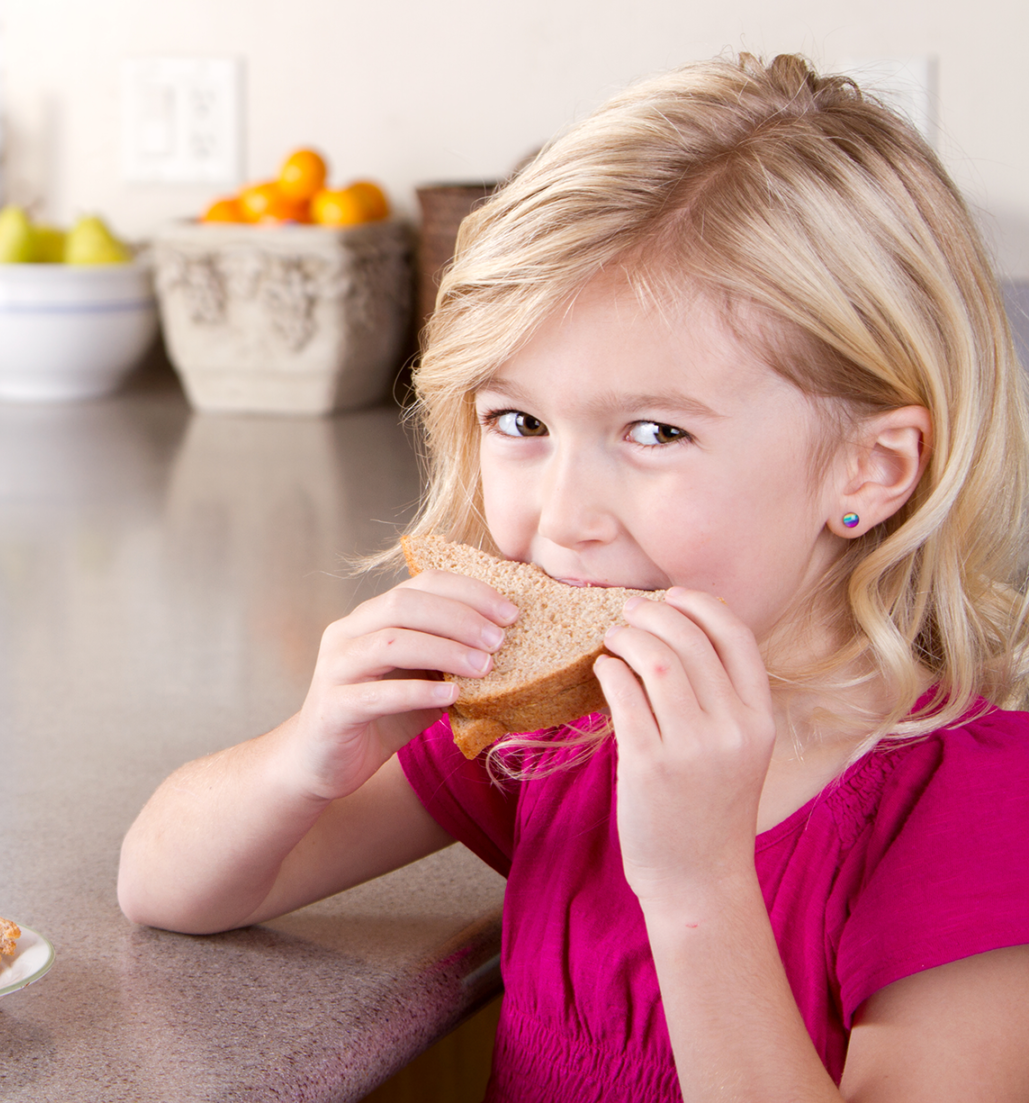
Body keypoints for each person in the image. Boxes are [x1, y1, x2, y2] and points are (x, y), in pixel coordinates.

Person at [117, 53, 1029, 1102]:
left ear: (869, 470)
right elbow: (162, 885)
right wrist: (311, 752)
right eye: (521, 422)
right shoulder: (552, 727)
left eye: (655, 431)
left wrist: (696, 886)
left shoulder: (976, 804)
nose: (560, 518)